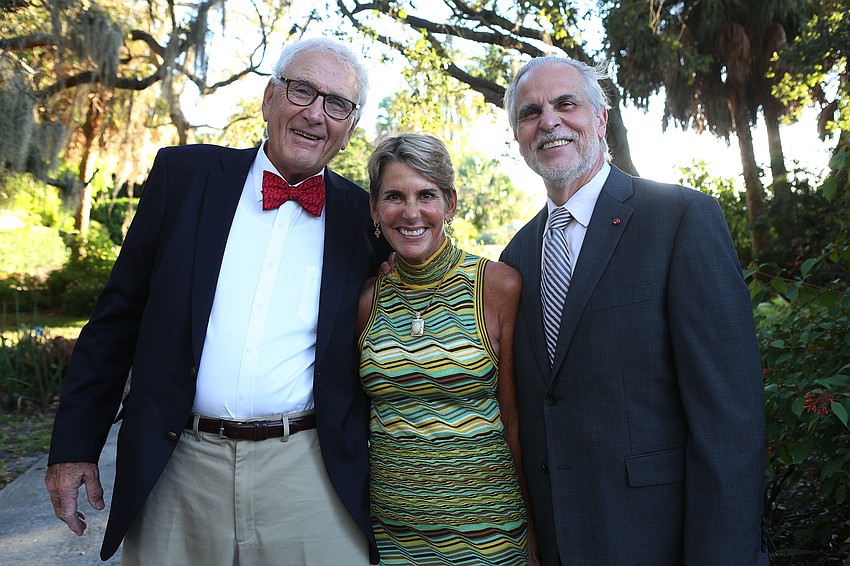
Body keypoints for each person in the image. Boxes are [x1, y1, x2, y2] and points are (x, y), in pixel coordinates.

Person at [44, 37, 387, 565]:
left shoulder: (363, 217)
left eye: (337, 103)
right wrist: (73, 447)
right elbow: (117, 319)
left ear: (349, 127)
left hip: (310, 473)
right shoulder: (184, 179)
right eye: (302, 91)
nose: (316, 115)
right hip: (178, 465)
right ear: (269, 99)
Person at [499, 56, 770, 565]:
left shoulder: (681, 219)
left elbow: (729, 424)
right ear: (519, 135)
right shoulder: (514, 259)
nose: (549, 121)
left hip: (661, 540)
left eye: (566, 103)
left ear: (600, 119)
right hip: (560, 543)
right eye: (531, 112)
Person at [357, 133, 538, 565]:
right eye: (395, 196)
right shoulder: (367, 299)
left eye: (427, 195)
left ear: (451, 204)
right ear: (375, 209)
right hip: (393, 538)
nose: (411, 212)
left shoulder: (497, 287)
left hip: (490, 537)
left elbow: (514, 419)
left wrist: (534, 533)